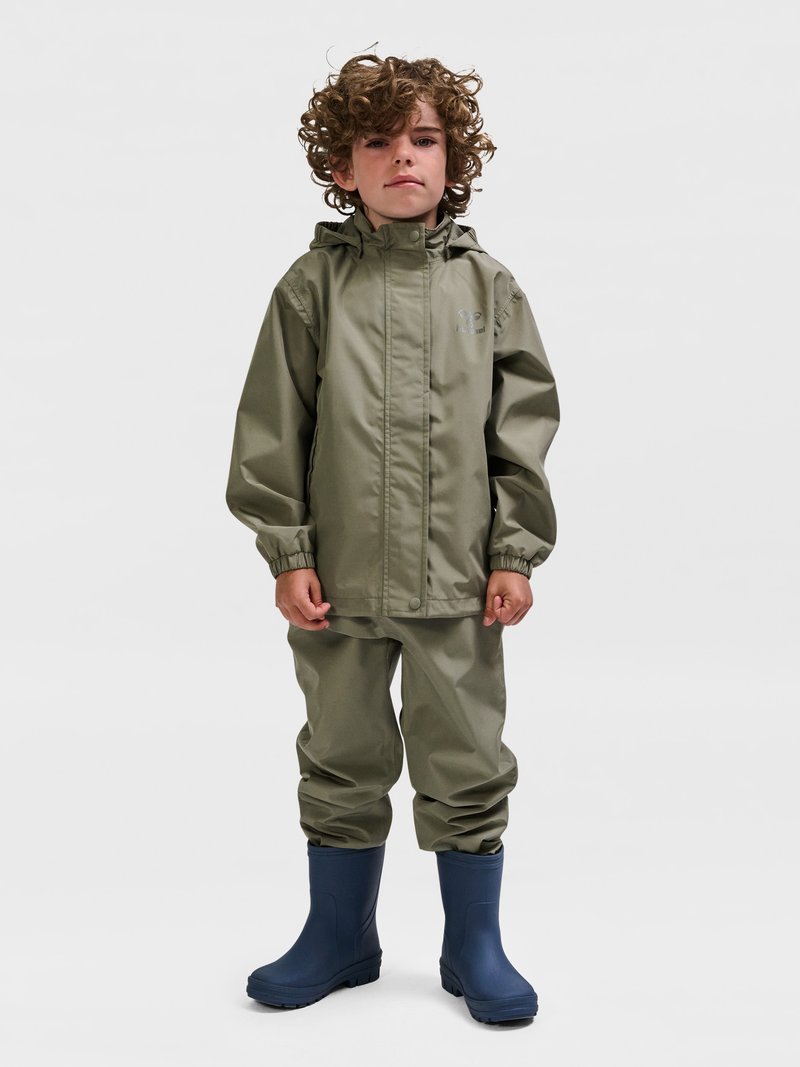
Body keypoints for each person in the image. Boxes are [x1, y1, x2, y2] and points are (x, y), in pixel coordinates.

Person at [225, 52, 560, 1025]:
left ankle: (473, 943)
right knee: (339, 751)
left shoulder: (487, 288)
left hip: (459, 582)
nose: (403, 157)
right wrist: (288, 553)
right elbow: (271, 426)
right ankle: (339, 935)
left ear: (454, 160)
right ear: (342, 167)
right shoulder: (311, 288)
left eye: (423, 138)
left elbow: (520, 431)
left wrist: (513, 551)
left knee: (467, 755)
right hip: (336, 584)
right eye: (377, 142)